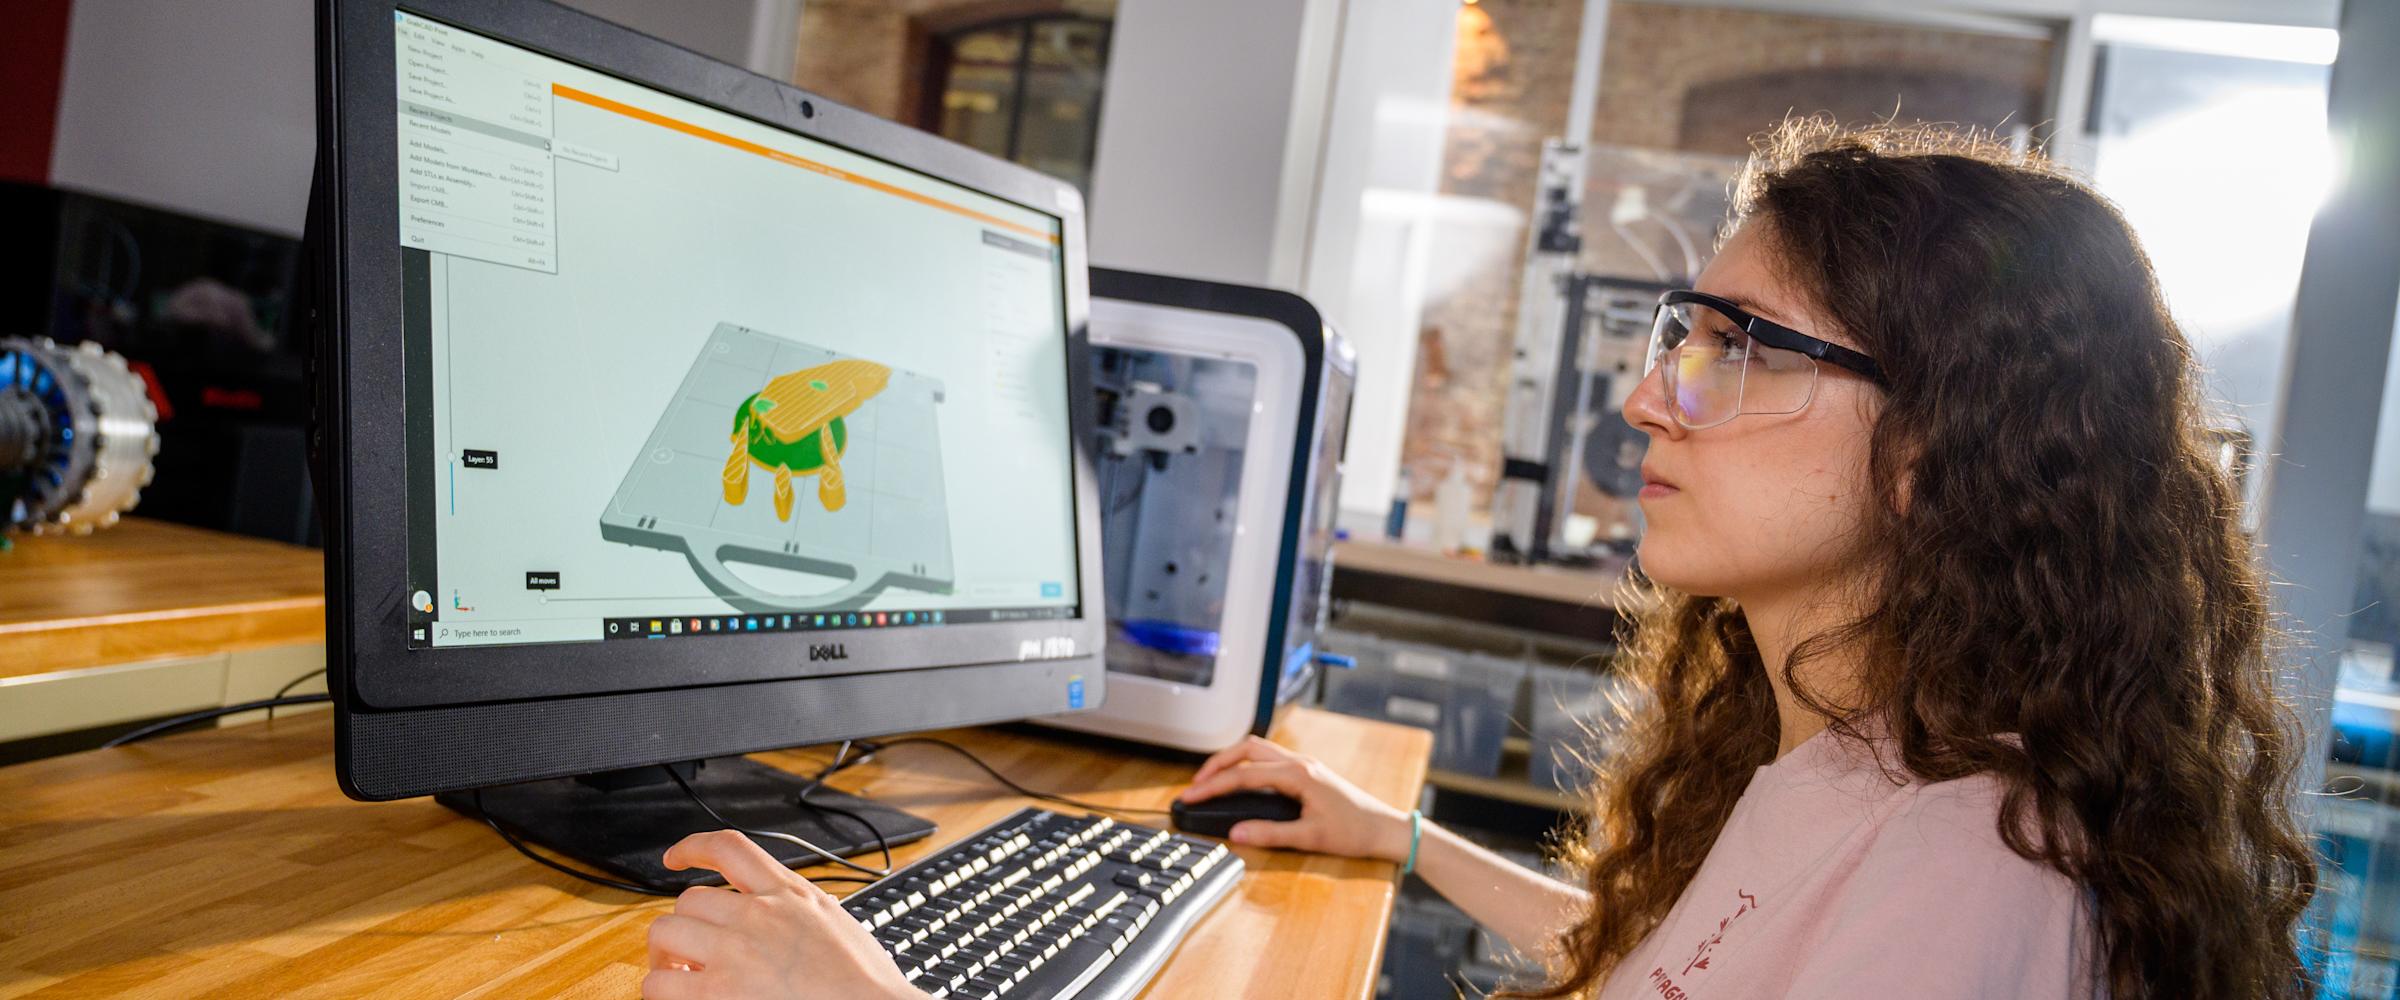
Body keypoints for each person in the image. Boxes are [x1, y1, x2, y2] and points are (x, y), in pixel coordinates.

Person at [638, 118, 2318, 999]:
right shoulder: (1871, 772)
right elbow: (1698, 959)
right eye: (1679, 335)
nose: (1649, 399)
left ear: (1936, 438)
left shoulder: (1978, 872)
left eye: (1734, 348)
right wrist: (1407, 837)